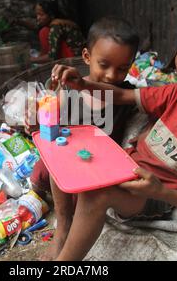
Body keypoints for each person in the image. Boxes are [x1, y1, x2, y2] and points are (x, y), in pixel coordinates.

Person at [43, 18, 177, 261]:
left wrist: (160, 190)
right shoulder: (175, 96)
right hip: (122, 168)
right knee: (64, 150)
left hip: (150, 196)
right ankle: (64, 224)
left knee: (95, 194)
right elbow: (123, 95)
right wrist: (83, 84)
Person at [29, 16, 140, 200]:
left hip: (99, 161)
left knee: (87, 192)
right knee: (42, 170)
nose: (112, 75)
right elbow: (51, 124)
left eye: (122, 68)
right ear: (87, 57)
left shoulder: (125, 93)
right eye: (104, 65)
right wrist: (37, 117)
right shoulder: (70, 88)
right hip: (68, 154)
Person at [16, 0, 85, 64]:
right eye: (37, 15)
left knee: (44, 32)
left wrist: (30, 60)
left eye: (41, 15)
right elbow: (35, 27)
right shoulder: (59, 22)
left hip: (76, 60)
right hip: (78, 55)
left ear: (51, 15)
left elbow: (52, 56)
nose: (38, 18)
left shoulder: (56, 26)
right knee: (43, 31)